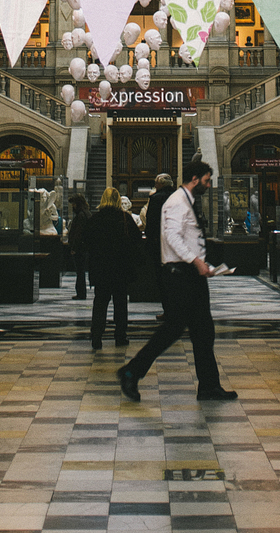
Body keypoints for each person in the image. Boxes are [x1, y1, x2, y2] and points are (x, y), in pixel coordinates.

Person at [117, 159, 237, 403]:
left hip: (192, 275)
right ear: (195, 179)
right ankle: (131, 371)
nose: (208, 184)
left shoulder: (187, 202)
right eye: (206, 180)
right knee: (172, 329)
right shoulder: (176, 202)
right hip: (179, 277)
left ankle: (209, 386)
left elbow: (188, 237)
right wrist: (195, 260)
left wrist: (204, 264)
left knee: (204, 332)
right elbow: (171, 235)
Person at [85, 186, 143, 349]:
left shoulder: (95, 219)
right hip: (120, 268)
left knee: (100, 303)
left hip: (101, 268)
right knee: (120, 303)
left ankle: (96, 336)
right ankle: (120, 335)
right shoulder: (124, 218)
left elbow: (87, 241)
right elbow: (136, 240)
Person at [142, 172, 174, 316]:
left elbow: (152, 222)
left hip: (160, 245)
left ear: (161, 184)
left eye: (156, 182)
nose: (154, 185)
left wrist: (150, 239)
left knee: (162, 279)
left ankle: (168, 310)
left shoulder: (155, 199)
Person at [67, 192, 90, 300]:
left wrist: (74, 248)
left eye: (74, 204)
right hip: (83, 247)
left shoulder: (81, 216)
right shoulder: (85, 213)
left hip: (80, 249)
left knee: (80, 272)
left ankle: (81, 293)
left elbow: (78, 233)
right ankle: (81, 292)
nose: (73, 206)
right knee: (80, 272)